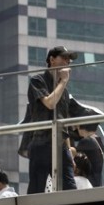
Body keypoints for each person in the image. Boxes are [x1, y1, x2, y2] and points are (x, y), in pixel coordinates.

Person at [26, 46, 79, 194]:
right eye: (64, 58)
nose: (67, 62)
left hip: (61, 144)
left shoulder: (64, 91)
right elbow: (49, 103)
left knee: (70, 189)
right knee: (36, 190)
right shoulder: (38, 80)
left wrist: (69, 150)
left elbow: (64, 122)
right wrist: (63, 82)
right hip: (41, 142)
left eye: (69, 60)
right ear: (52, 59)